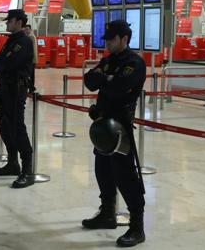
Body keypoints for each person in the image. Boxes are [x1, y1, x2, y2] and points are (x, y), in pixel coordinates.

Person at [82, 20, 147, 247]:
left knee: (125, 176)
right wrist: (107, 78)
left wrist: (106, 79)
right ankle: (107, 213)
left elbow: (121, 88)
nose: (107, 43)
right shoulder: (109, 61)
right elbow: (89, 81)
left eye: (111, 39)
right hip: (102, 125)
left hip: (120, 128)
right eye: (106, 39)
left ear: (124, 38)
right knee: (102, 170)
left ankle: (137, 227)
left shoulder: (135, 63)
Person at [0, 9, 35, 189]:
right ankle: (13, 163)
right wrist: (1, 64)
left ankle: (27, 170)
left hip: (16, 90)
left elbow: (6, 63)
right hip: (5, 88)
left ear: (18, 22)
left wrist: (1, 64)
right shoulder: (11, 41)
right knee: (4, 124)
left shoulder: (23, 42)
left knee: (17, 127)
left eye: (9, 21)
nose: (7, 23)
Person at [24, 24, 38, 93]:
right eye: (25, 29)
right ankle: (31, 87)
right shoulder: (32, 36)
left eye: (27, 29)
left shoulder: (30, 37)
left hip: (31, 59)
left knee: (28, 74)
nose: (26, 31)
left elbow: (29, 49)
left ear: (30, 29)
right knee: (31, 74)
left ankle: (31, 87)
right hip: (32, 58)